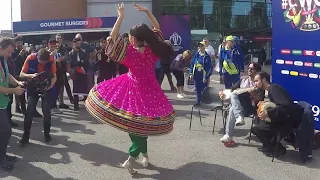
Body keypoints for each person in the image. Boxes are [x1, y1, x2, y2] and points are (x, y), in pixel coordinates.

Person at [85, 3, 176, 175]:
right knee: (142, 124)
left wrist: (120, 17)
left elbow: (111, 40)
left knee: (135, 125)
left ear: (133, 38)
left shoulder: (129, 52)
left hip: (132, 89)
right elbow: (156, 27)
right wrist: (148, 11)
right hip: (151, 90)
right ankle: (145, 156)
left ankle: (132, 158)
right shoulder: (153, 49)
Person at [251, 72, 304, 157]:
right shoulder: (270, 89)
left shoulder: (274, 88)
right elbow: (276, 104)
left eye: (257, 81)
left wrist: (267, 113)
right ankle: (271, 146)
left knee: (257, 128)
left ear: (264, 79)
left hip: (287, 120)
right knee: (257, 120)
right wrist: (266, 103)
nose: (255, 83)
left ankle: (278, 148)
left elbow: (284, 106)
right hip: (280, 117)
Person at [19, 48, 57, 145]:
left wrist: (50, 86)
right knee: (29, 112)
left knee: (47, 113)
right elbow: (21, 74)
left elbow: (54, 76)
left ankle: (47, 135)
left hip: (46, 88)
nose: (44, 64)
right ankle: (25, 137)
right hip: (33, 88)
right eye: (42, 62)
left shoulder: (51, 59)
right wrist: (31, 76)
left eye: (45, 62)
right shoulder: (30, 58)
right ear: (37, 57)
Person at [219, 63, 264, 143]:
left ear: (257, 71)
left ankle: (229, 134)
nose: (249, 70)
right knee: (233, 104)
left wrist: (253, 94)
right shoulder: (243, 81)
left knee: (233, 102)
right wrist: (221, 92)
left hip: (251, 108)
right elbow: (231, 89)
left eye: (252, 69)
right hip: (240, 107)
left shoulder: (258, 84)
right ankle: (238, 117)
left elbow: (260, 100)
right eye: (248, 68)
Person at [0, 37, 25, 171]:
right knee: (5, 131)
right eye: (8, 52)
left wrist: (17, 82)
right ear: (1, 48)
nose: (10, 55)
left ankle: (2, 155)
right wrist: (13, 90)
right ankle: (1, 157)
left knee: (4, 131)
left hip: (2, 102)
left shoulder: (2, 59)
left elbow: (7, 74)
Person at [68, 38, 90, 111]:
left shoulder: (84, 52)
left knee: (84, 89)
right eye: (77, 43)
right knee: (76, 90)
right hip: (75, 73)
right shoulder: (71, 53)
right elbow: (71, 63)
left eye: (79, 43)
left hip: (83, 73)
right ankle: (76, 105)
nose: (78, 45)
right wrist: (80, 62)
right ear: (74, 44)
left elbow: (86, 62)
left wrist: (78, 63)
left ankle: (87, 105)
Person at [47, 38, 63, 114]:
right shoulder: (46, 54)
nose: (53, 48)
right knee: (50, 92)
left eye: (54, 46)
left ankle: (54, 106)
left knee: (56, 91)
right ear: (48, 45)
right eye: (52, 46)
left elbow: (59, 66)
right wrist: (50, 56)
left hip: (57, 74)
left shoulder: (58, 54)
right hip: (48, 75)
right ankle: (49, 108)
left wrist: (59, 62)